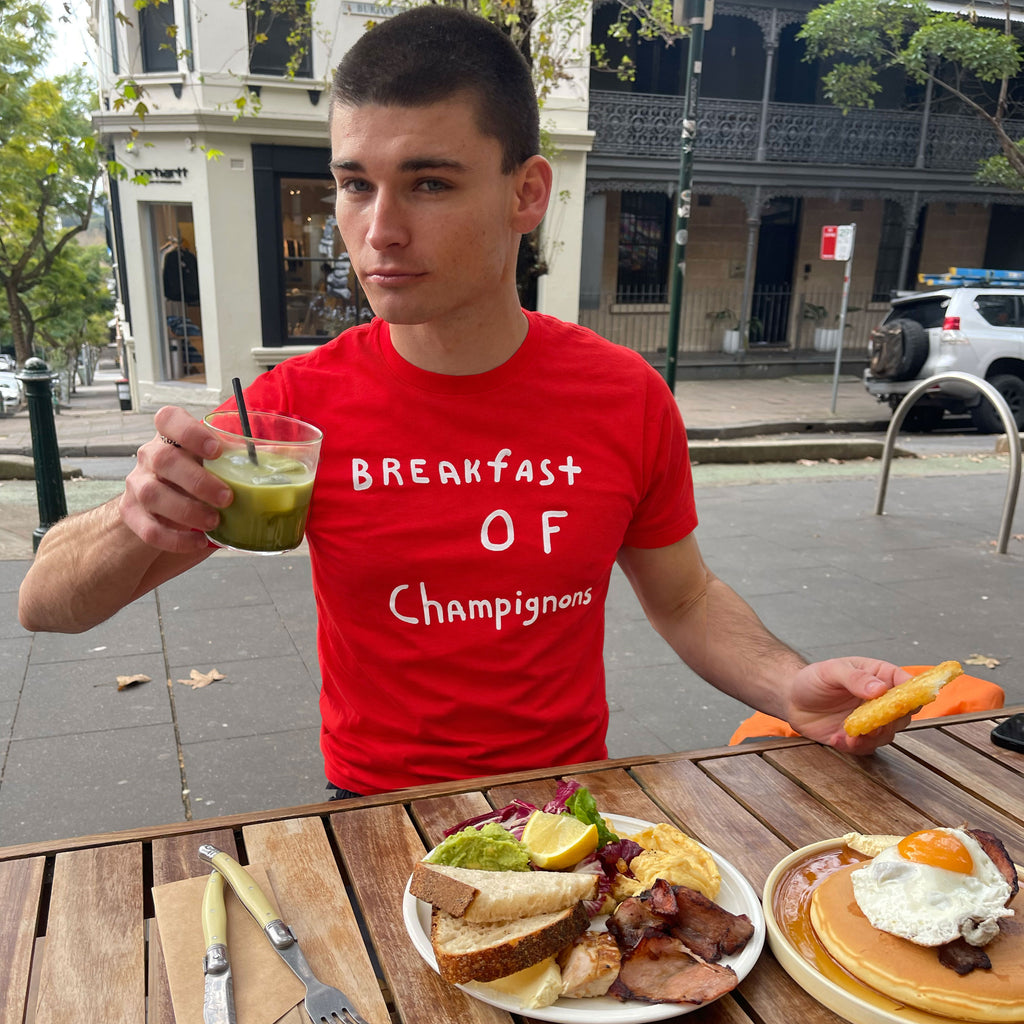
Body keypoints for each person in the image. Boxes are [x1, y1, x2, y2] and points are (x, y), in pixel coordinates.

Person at [18, 6, 911, 798]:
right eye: (356, 184)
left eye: (429, 183)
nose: (379, 230)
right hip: (376, 818)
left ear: (526, 193)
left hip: (568, 808)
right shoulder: (293, 412)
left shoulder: (624, 395)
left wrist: (789, 687)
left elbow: (682, 598)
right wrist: (135, 513)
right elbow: (45, 603)